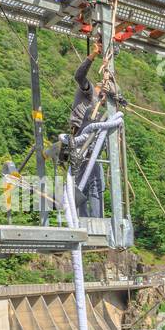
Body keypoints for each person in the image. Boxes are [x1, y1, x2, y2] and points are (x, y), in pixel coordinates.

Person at [69, 38, 106, 218]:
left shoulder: (102, 107)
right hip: (83, 142)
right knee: (83, 182)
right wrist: (93, 56)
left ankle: (96, 219)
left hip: (93, 147)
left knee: (97, 183)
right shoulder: (90, 92)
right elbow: (79, 76)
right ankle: (83, 219)